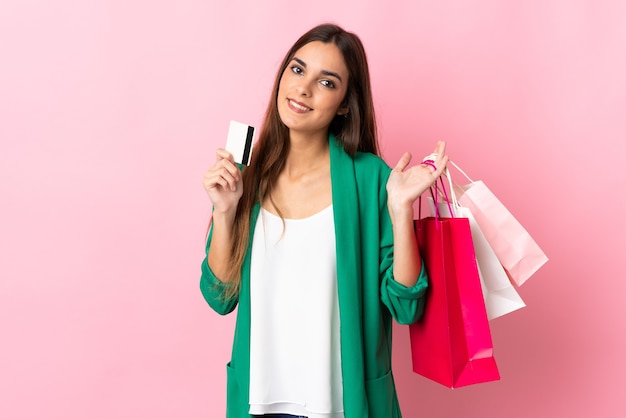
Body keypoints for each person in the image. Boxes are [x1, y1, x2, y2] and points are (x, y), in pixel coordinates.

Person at [200, 23, 448, 418]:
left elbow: (405, 307)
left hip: (340, 404)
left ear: (346, 103)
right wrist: (224, 210)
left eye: (326, 82)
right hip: (260, 402)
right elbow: (220, 296)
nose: (303, 88)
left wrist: (400, 211)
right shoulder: (247, 176)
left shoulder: (370, 179)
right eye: (297, 70)